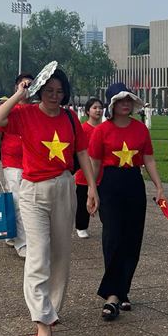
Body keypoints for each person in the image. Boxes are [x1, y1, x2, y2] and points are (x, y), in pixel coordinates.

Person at [0, 68, 98, 336]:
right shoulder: (26, 114)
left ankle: (52, 308)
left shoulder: (70, 118)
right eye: (49, 90)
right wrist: (19, 94)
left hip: (64, 187)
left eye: (59, 91)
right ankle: (42, 320)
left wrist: (91, 187)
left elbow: (82, 154)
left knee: (61, 253)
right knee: (38, 253)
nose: (54, 96)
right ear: (39, 90)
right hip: (33, 190)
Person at [88, 82, 165, 321]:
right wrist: (92, 191)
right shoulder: (101, 131)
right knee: (113, 237)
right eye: (120, 100)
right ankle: (112, 295)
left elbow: (149, 160)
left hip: (133, 183)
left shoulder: (140, 129)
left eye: (128, 100)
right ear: (112, 105)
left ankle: (123, 289)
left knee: (132, 239)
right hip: (109, 185)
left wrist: (159, 187)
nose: (125, 103)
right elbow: (94, 163)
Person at [0, 74, 34, 258]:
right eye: (23, 85)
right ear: (16, 87)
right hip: (12, 163)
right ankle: (22, 243)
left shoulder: (35, 110)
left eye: (30, 85)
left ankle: (12, 233)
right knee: (17, 202)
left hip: (31, 163)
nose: (26, 88)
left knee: (28, 202)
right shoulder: (7, 109)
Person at [74, 97, 104, 238]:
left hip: (103, 171)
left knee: (105, 200)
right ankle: (81, 226)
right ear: (87, 111)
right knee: (82, 201)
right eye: (94, 108)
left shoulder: (106, 128)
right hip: (84, 172)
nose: (98, 110)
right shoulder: (82, 129)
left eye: (100, 107)